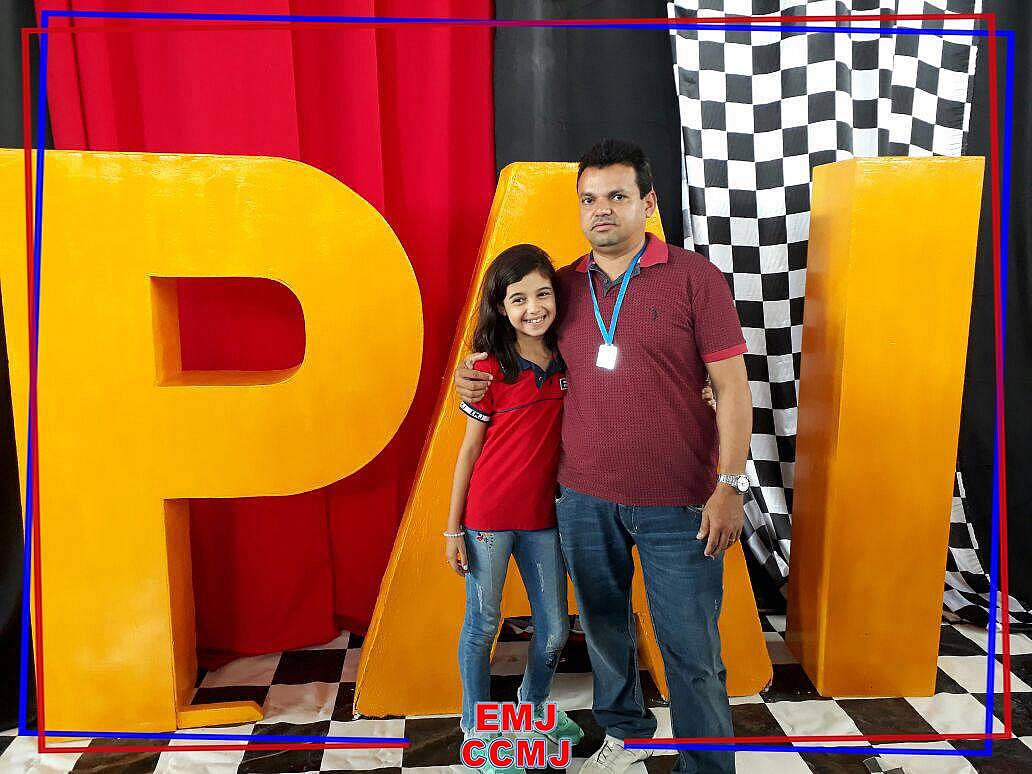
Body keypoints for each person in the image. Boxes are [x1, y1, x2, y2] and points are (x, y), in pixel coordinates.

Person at [456, 139, 752, 774]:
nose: (601, 210)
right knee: (606, 635)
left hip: (680, 501)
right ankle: (626, 736)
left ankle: (706, 767)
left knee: (692, 651)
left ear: (649, 203)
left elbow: (731, 388)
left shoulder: (695, 278)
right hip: (584, 500)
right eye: (589, 198)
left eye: (617, 196)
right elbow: (511, 341)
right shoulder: (562, 286)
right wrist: (469, 376)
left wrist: (730, 484)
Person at [446, 243, 585, 773]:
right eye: (518, 298)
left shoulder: (571, 358)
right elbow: (469, 451)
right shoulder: (487, 369)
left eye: (542, 294)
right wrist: (452, 529)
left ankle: (530, 709)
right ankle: (476, 726)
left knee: (554, 630)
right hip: (486, 520)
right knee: (482, 623)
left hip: (544, 519)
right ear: (501, 307)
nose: (533, 308)